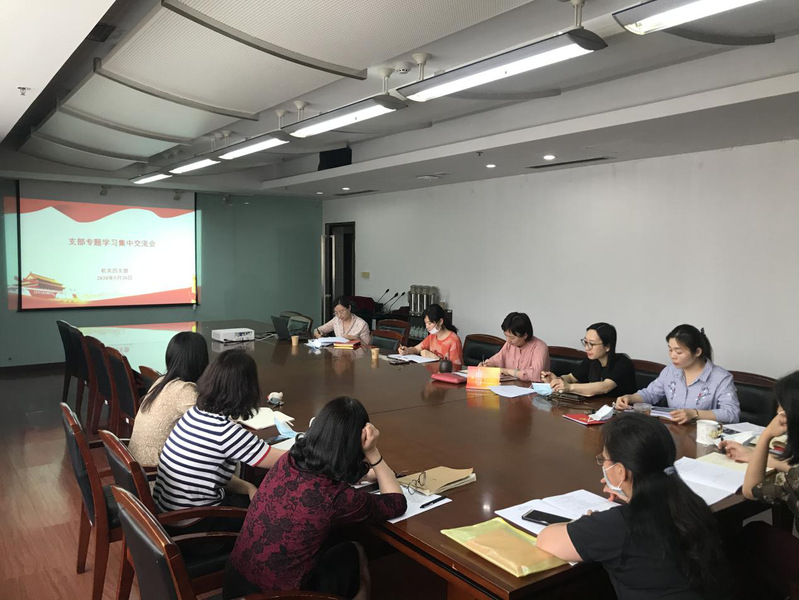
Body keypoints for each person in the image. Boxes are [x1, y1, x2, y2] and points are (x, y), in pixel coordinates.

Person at [224, 397, 406, 599]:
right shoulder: (337, 498)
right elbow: (396, 503)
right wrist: (373, 453)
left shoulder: (289, 460)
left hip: (235, 584)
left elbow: (323, 471)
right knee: (355, 552)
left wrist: (362, 474)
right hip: (281, 595)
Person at [537, 413, 732, 600]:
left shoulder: (618, 525)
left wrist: (585, 523)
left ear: (620, 472)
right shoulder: (693, 504)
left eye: (604, 459)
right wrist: (632, 495)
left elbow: (546, 539)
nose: (603, 465)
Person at [152, 349, 285, 512]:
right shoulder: (226, 432)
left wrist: (248, 487)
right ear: (247, 389)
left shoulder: (194, 414)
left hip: (167, 511)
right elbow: (286, 459)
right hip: (195, 519)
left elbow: (208, 475)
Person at [730, 371, 799, 598]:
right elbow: (793, 468)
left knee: (752, 535)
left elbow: (750, 490)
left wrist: (766, 436)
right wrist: (760, 458)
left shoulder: (793, 481)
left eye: (783, 408)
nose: (778, 412)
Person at [615, 324, 740, 424]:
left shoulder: (721, 378)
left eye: (679, 352)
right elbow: (650, 393)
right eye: (670, 350)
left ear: (697, 352)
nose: (672, 356)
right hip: (675, 431)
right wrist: (629, 398)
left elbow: (732, 413)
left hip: (703, 437)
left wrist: (694, 413)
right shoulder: (671, 371)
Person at [128, 331, 208, 467]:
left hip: (137, 463)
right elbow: (211, 426)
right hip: (155, 470)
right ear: (200, 361)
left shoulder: (161, 381)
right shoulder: (185, 390)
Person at [541, 322, 636, 397]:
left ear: (607, 347)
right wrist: (557, 380)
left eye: (592, 344)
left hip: (621, 412)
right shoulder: (592, 359)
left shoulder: (622, 363)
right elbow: (571, 377)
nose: (587, 348)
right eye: (585, 342)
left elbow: (605, 387)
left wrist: (569, 387)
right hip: (596, 408)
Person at [480, 312, 549, 381]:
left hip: (531, 387)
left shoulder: (539, 347)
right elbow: (496, 360)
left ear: (525, 335)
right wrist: (487, 365)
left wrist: (507, 371)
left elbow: (535, 375)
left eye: (512, 338)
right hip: (510, 386)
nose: (508, 340)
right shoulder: (509, 344)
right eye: (506, 336)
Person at [398, 304, 463, 369]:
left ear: (440, 321)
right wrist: (407, 350)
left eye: (429, 323)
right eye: (425, 323)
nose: (427, 327)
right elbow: (417, 349)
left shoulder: (453, 340)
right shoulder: (432, 336)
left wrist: (437, 359)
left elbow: (456, 368)